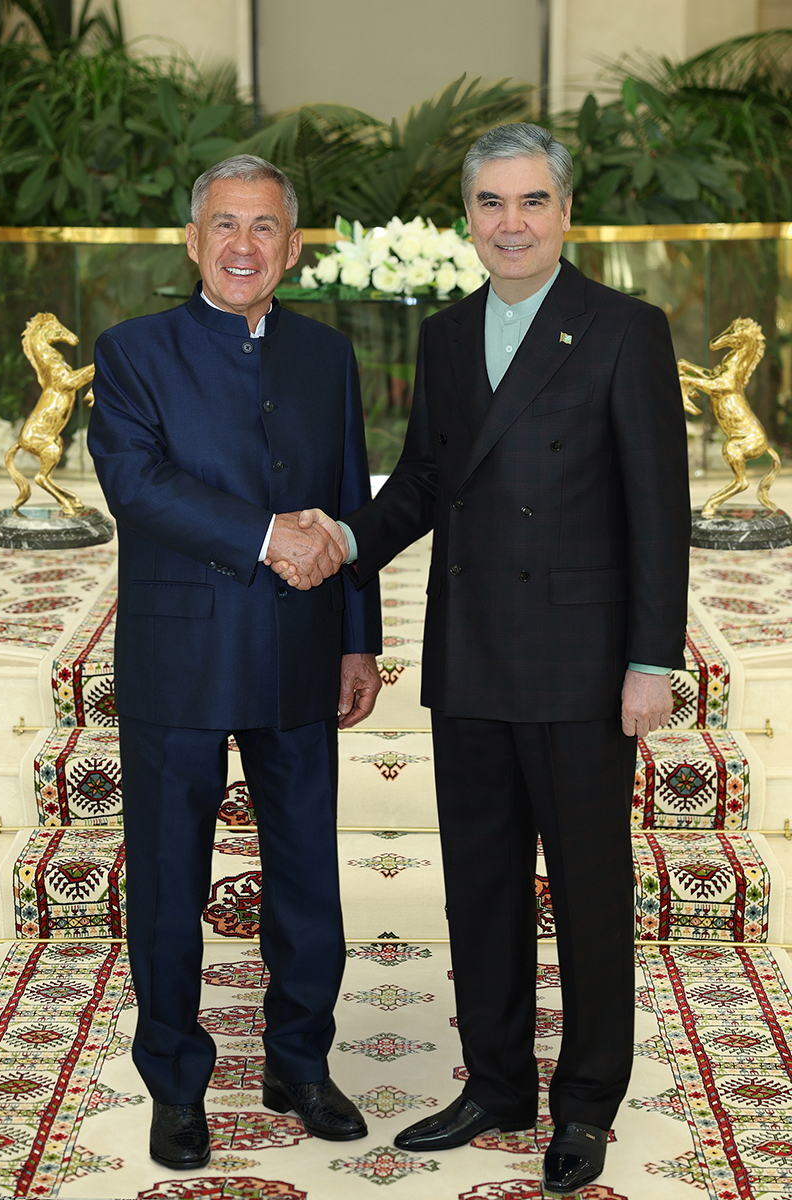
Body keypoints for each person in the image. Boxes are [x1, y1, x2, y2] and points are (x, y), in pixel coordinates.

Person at [271, 123, 690, 1195]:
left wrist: (650, 659)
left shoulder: (622, 329)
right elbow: (422, 480)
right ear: (467, 217)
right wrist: (349, 538)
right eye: (491, 204)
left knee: (590, 895)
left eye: (530, 202)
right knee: (483, 886)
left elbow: (658, 511)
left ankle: (585, 1101)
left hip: (581, 661)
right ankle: (497, 1083)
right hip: (468, 657)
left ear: (564, 212)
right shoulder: (450, 336)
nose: (510, 223)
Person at [87, 155, 382, 1171]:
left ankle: (298, 1060)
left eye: (265, 228)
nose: (244, 246)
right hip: (178, 656)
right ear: (191, 239)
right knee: (170, 880)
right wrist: (265, 534)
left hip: (301, 648)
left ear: (293, 247)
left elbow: (346, 498)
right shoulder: (131, 352)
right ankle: (175, 1081)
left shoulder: (325, 355)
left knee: (306, 873)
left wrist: (358, 638)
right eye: (224, 225)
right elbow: (138, 485)